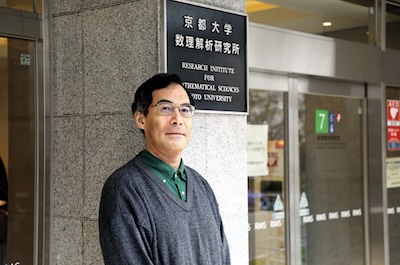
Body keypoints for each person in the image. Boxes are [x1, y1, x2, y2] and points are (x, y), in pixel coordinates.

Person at [99, 73, 230, 264]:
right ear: (141, 119)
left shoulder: (201, 184)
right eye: (166, 108)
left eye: (185, 110)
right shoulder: (123, 189)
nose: (177, 119)